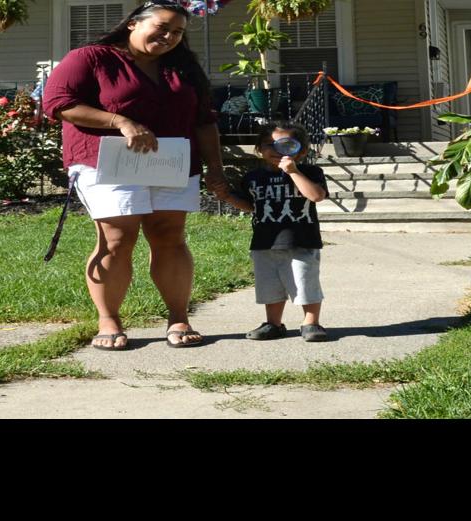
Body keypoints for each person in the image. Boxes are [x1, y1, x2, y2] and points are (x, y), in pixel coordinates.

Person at [40, 2, 229, 350]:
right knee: (116, 239)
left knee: (170, 236)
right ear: (132, 24)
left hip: (172, 163)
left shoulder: (183, 68)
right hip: (107, 163)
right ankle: (108, 320)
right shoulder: (91, 57)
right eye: (162, 27)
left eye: (177, 32)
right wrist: (119, 121)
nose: (169, 36)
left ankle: (178, 316)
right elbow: (58, 103)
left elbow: (204, 120)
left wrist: (215, 168)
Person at [223, 122, 332, 342]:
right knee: (269, 286)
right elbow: (251, 205)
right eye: (268, 145)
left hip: (302, 240)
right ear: (259, 150)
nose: (276, 150)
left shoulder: (310, 172)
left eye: (285, 145)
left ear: (301, 150)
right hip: (265, 241)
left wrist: (293, 171)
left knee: (304, 282)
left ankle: (311, 322)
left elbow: (316, 196)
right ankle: (273, 323)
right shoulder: (253, 177)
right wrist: (226, 196)